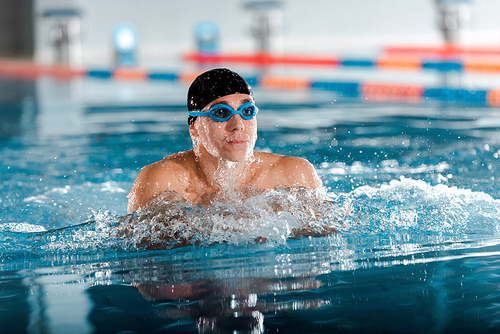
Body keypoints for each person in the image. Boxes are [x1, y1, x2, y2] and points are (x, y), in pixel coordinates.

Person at [127, 68, 322, 214]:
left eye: (247, 112)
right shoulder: (161, 180)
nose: (238, 125)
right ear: (194, 127)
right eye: (221, 113)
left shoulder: (294, 174)